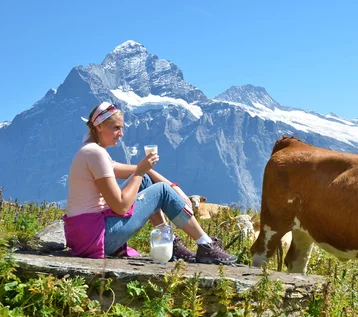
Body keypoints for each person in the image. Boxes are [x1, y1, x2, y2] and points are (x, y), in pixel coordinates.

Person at [63, 102, 237, 265]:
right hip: (98, 237)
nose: (121, 134)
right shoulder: (96, 154)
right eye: (117, 128)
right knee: (159, 190)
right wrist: (140, 171)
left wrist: (174, 188)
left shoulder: (89, 150)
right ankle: (205, 244)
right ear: (99, 126)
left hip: (86, 236)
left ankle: (170, 243)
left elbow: (144, 172)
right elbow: (120, 207)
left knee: (146, 180)